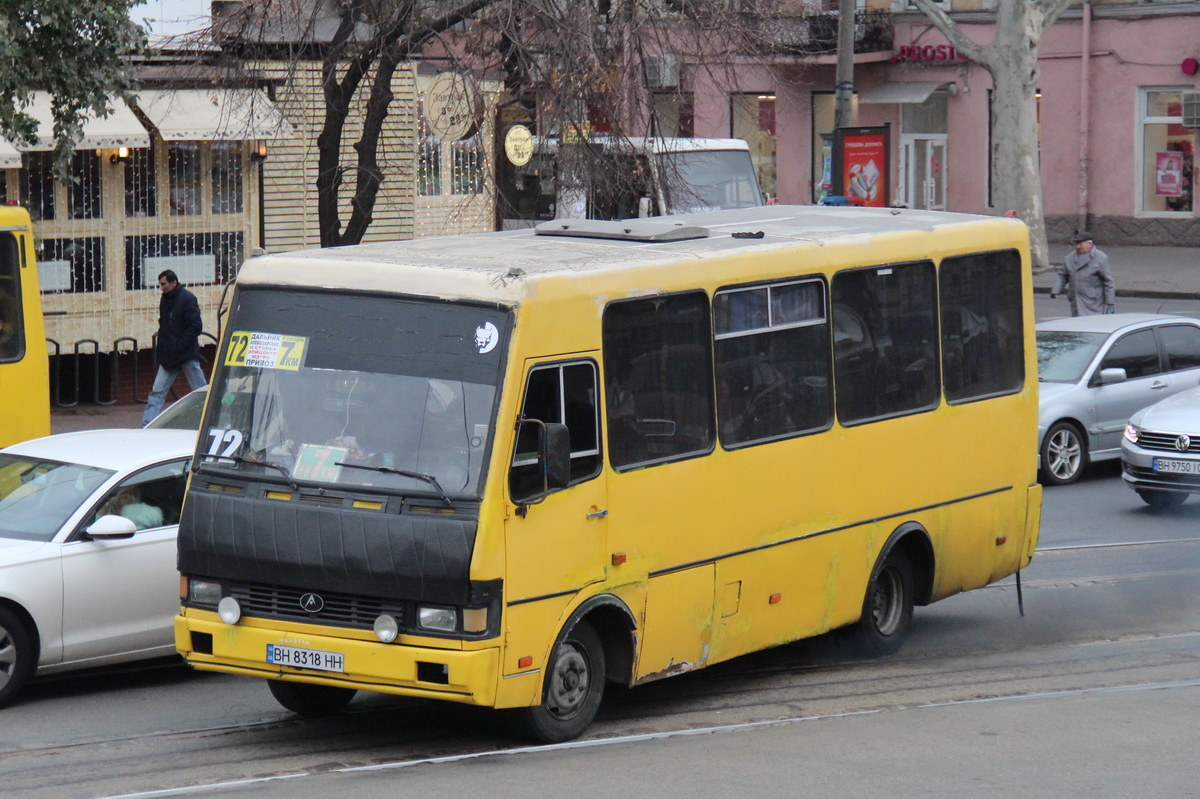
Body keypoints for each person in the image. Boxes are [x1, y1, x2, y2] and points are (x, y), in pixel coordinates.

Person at [142, 269, 207, 426]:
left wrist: (179, 345)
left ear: (173, 283)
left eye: (163, 284)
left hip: (184, 354)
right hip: (171, 354)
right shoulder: (166, 299)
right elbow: (164, 325)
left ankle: (210, 420)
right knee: (158, 391)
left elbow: (195, 326)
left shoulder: (187, 299)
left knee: (201, 391)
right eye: (160, 284)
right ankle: (147, 425)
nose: (161, 287)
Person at [1050, 231, 1116, 317]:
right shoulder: (1069, 258)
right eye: (1076, 244)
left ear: (1090, 244)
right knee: (1078, 324)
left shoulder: (1101, 258)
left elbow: (1108, 281)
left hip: (1093, 301)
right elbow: (1063, 276)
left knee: (1092, 325)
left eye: (1081, 244)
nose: (1078, 247)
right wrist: (1056, 290)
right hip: (1076, 300)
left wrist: (1110, 303)